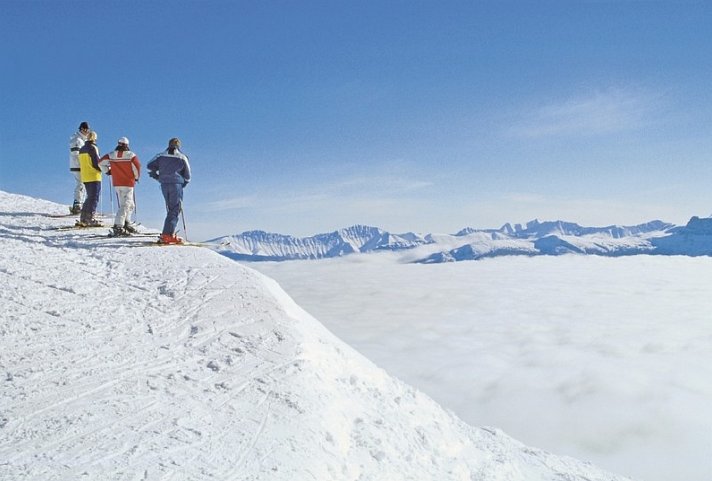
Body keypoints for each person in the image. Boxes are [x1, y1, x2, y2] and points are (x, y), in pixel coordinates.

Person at [147, 137, 191, 244]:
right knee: (175, 208)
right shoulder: (182, 157)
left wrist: (156, 175)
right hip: (176, 184)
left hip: (164, 184)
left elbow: (149, 165)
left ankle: (167, 232)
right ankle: (167, 235)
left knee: (170, 208)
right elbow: (188, 175)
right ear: (178, 145)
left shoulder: (160, 155)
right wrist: (183, 183)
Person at [99, 137, 141, 237]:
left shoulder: (112, 154)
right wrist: (136, 177)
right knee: (126, 205)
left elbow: (100, 162)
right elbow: (137, 166)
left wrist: (107, 171)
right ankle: (118, 226)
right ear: (127, 145)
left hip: (117, 182)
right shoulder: (131, 155)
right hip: (128, 182)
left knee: (129, 204)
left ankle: (126, 222)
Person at [77, 130, 103, 227]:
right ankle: (90, 218)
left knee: (89, 196)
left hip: (85, 175)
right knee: (94, 197)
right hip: (94, 175)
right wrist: (103, 169)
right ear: (94, 138)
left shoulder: (82, 149)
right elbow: (96, 162)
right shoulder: (93, 148)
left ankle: (83, 217)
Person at [69, 121, 90, 214]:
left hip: (82, 166)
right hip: (78, 166)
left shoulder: (83, 140)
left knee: (83, 184)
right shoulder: (77, 140)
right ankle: (77, 204)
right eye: (84, 129)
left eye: (87, 129)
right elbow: (76, 154)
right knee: (81, 184)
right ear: (81, 129)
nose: (86, 131)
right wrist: (82, 164)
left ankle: (80, 203)